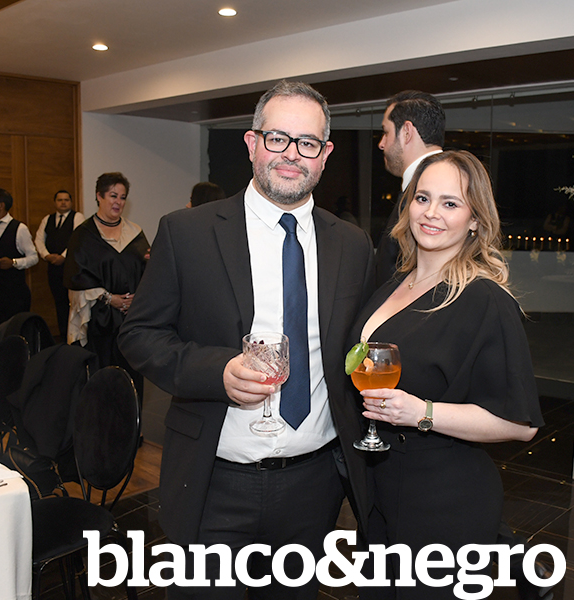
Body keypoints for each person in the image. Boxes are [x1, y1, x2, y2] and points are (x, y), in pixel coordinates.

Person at [118, 80, 375, 599]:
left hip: (314, 483)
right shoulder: (187, 232)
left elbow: (360, 345)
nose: (291, 154)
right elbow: (140, 334)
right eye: (278, 138)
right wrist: (216, 371)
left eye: (307, 142)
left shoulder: (352, 244)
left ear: (325, 154)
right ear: (252, 143)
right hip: (215, 480)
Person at [375, 92, 553, 599]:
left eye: (450, 203)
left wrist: (421, 413)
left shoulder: (485, 300)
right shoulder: (395, 283)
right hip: (383, 491)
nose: (431, 213)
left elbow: (520, 424)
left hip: (444, 502)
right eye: (423, 198)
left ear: (475, 219)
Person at [64, 172, 149, 400]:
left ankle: (131, 420)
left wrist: (137, 297)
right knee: (102, 381)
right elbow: (76, 277)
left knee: (130, 381)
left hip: (130, 320)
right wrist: (109, 298)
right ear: (99, 196)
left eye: (122, 197)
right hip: (99, 321)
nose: (118, 202)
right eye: (113, 196)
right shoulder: (83, 236)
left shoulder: (135, 234)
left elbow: (148, 270)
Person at [375, 90, 445, 286]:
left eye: (386, 132)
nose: (381, 144)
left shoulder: (428, 190)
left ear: (406, 132)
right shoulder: (442, 183)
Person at [0, 188, 39, 342]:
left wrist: (14, 262)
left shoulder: (19, 228)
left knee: (13, 333)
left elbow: (34, 257)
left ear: (1, 205)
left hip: (13, 293)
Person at [34, 190, 85, 336]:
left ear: (71, 202)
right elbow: (39, 240)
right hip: (53, 268)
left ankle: (75, 337)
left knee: (73, 304)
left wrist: (63, 256)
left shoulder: (77, 217)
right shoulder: (47, 219)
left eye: (66, 200)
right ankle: (63, 336)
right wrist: (47, 255)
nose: (63, 203)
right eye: (60, 200)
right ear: (55, 202)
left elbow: (77, 239)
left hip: (72, 268)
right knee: (59, 303)